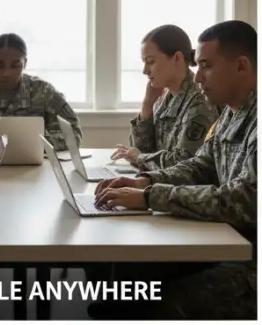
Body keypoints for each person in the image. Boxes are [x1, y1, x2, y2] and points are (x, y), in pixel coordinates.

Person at [93, 20, 256, 319]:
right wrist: (144, 181)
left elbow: (242, 201)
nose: (199, 76)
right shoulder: (231, 115)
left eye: (206, 65)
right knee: (125, 277)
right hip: (225, 241)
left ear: (242, 66)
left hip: (251, 262)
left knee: (154, 301)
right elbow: (198, 167)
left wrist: (150, 196)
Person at [110, 24, 218, 171]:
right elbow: (142, 149)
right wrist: (146, 108)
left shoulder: (200, 102)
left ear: (177, 58)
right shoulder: (166, 97)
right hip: (160, 184)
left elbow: (183, 164)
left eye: (150, 62)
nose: (145, 71)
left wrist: (139, 157)